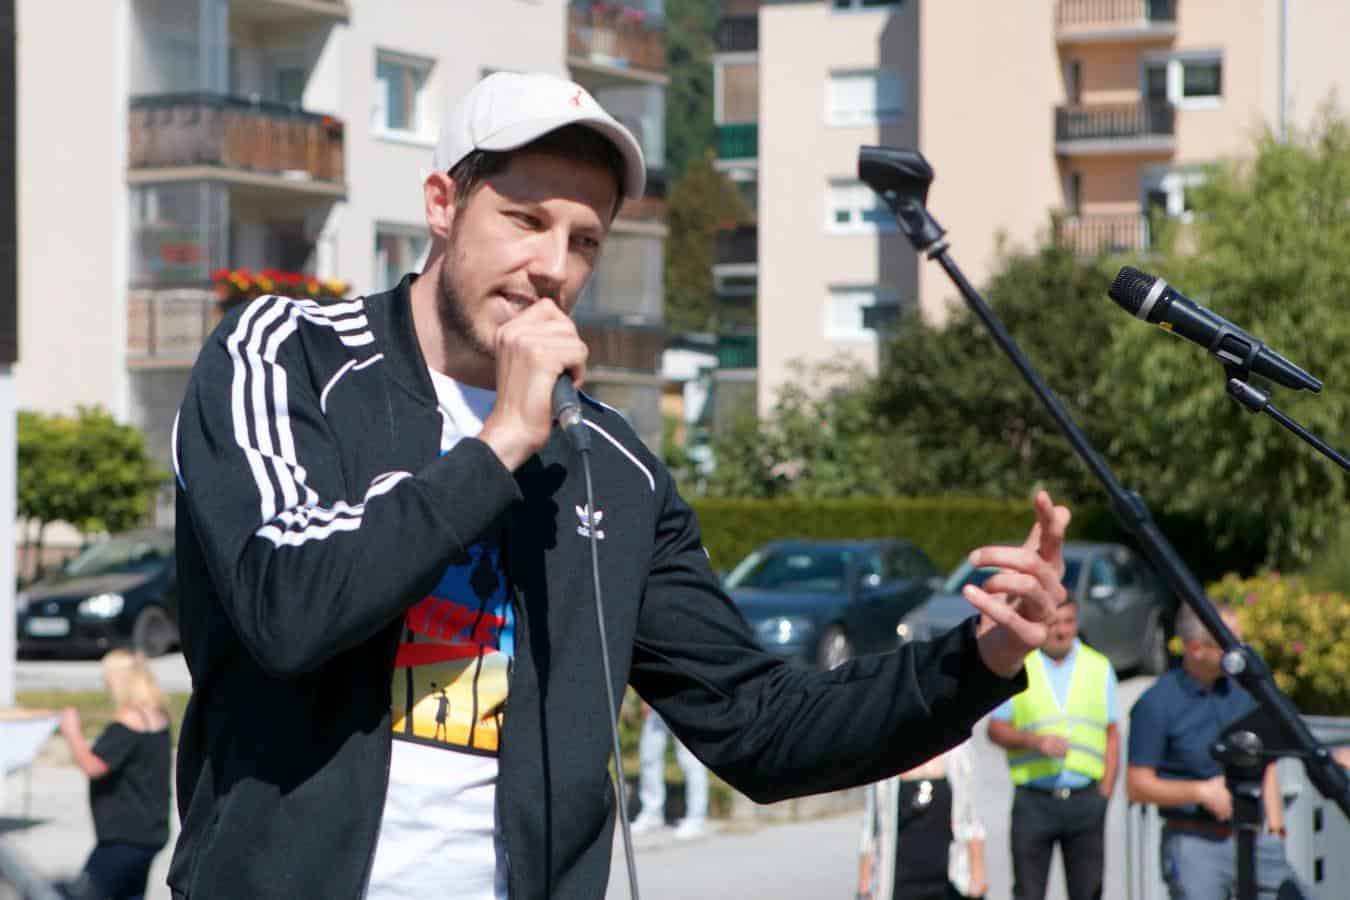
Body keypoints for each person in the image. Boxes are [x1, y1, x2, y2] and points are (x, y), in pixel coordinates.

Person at [167, 69, 1074, 900]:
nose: (553, 267)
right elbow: (287, 604)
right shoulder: (287, 354)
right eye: (525, 220)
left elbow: (760, 726)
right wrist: (500, 440)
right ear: (442, 204)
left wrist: (978, 660)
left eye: (585, 241)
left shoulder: (611, 464)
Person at [1127, 602, 1306, 900]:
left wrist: (1276, 829)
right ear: (1196, 649)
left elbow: (1264, 762)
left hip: (1257, 840)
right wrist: (1201, 793)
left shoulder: (1246, 693)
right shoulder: (1156, 703)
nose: (1240, 651)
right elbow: (1137, 785)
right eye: (1229, 642)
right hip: (1195, 842)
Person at [987, 596, 1119, 900]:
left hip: (1085, 799)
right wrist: (1035, 742)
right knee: (1028, 892)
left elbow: (1112, 734)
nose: (1061, 631)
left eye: (1068, 622)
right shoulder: (1020, 665)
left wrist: (1105, 792)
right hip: (1034, 800)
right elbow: (995, 729)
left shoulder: (1098, 667)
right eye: (1054, 623)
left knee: (1088, 891)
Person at [57, 650, 172, 900]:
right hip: (151, 832)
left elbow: (94, 766)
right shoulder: (158, 715)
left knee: (82, 894)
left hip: (124, 835)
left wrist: (72, 733)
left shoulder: (128, 720)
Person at [856, 740, 987, 900]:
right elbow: (870, 828)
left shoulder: (958, 752)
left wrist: (977, 875)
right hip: (897, 884)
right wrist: (864, 887)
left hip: (951, 883)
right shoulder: (884, 756)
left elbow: (972, 820)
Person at [631, 704, 709, 839]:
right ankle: (652, 813)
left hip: (684, 703)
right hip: (656, 704)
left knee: (691, 760)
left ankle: (696, 818)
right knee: (649, 757)